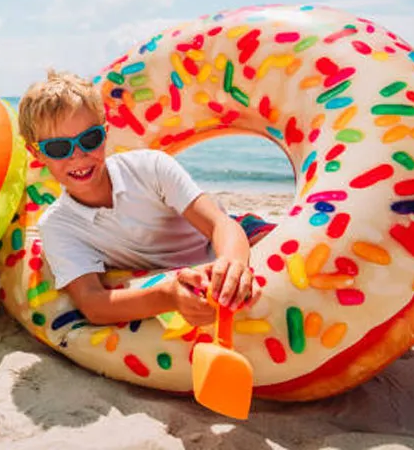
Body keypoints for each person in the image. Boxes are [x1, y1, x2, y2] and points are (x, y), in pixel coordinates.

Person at [18, 70, 269, 327]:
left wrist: (231, 263)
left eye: (90, 139)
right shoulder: (59, 226)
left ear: (105, 133)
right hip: (171, 273)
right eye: (59, 148)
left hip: (225, 237)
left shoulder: (149, 167)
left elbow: (219, 223)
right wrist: (167, 297)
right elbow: (93, 303)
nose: (78, 155)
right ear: (36, 154)